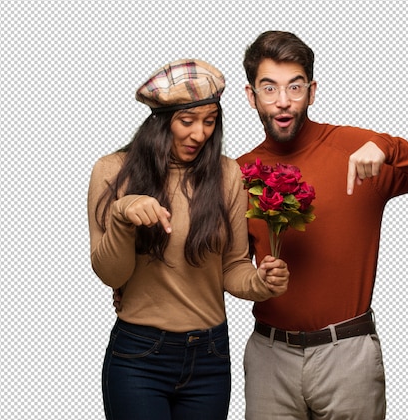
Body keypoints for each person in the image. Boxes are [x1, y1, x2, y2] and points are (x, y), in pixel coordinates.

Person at [236, 31, 408, 419]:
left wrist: (391, 147)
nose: (284, 100)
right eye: (269, 88)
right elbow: (228, 264)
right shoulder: (239, 172)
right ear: (251, 96)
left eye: (295, 86)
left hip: (347, 355)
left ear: (312, 90)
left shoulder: (359, 150)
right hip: (268, 356)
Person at [87, 58, 290, 420]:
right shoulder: (112, 170)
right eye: (187, 121)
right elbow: (111, 276)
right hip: (139, 357)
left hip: (210, 357)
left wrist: (260, 282)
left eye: (210, 122)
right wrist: (122, 214)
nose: (200, 134)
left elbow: (233, 267)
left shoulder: (227, 174)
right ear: (160, 122)